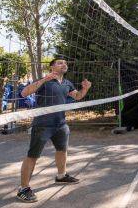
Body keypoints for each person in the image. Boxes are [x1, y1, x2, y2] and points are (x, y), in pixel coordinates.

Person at [16, 58, 91, 203]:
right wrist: (45, 79)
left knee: (62, 151)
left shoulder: (67, 83)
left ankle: (61, 176)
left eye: (65, 63)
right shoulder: (44, 80)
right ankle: (23, 188)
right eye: (59, 63)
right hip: (42, 124)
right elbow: (24, 93)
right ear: (51, 67)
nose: (64, 64)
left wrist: (85, 89)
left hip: (61, 123)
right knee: (32, 155)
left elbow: (77, 96)